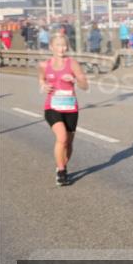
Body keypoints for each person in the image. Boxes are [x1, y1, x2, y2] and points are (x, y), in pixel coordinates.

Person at [40, 33, 89, 186]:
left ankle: (62, 165)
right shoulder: (44, 65)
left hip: (70, 107)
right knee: (61, 137)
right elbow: (41, 80)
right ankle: (61, 171)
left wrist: (75, 80)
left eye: (64, 45)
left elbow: (85, 86)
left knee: (68, 143)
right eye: (58, 45)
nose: (62, 48)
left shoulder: (72, 63)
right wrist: (44, 86)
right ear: (51, 47)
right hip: (52, 107)